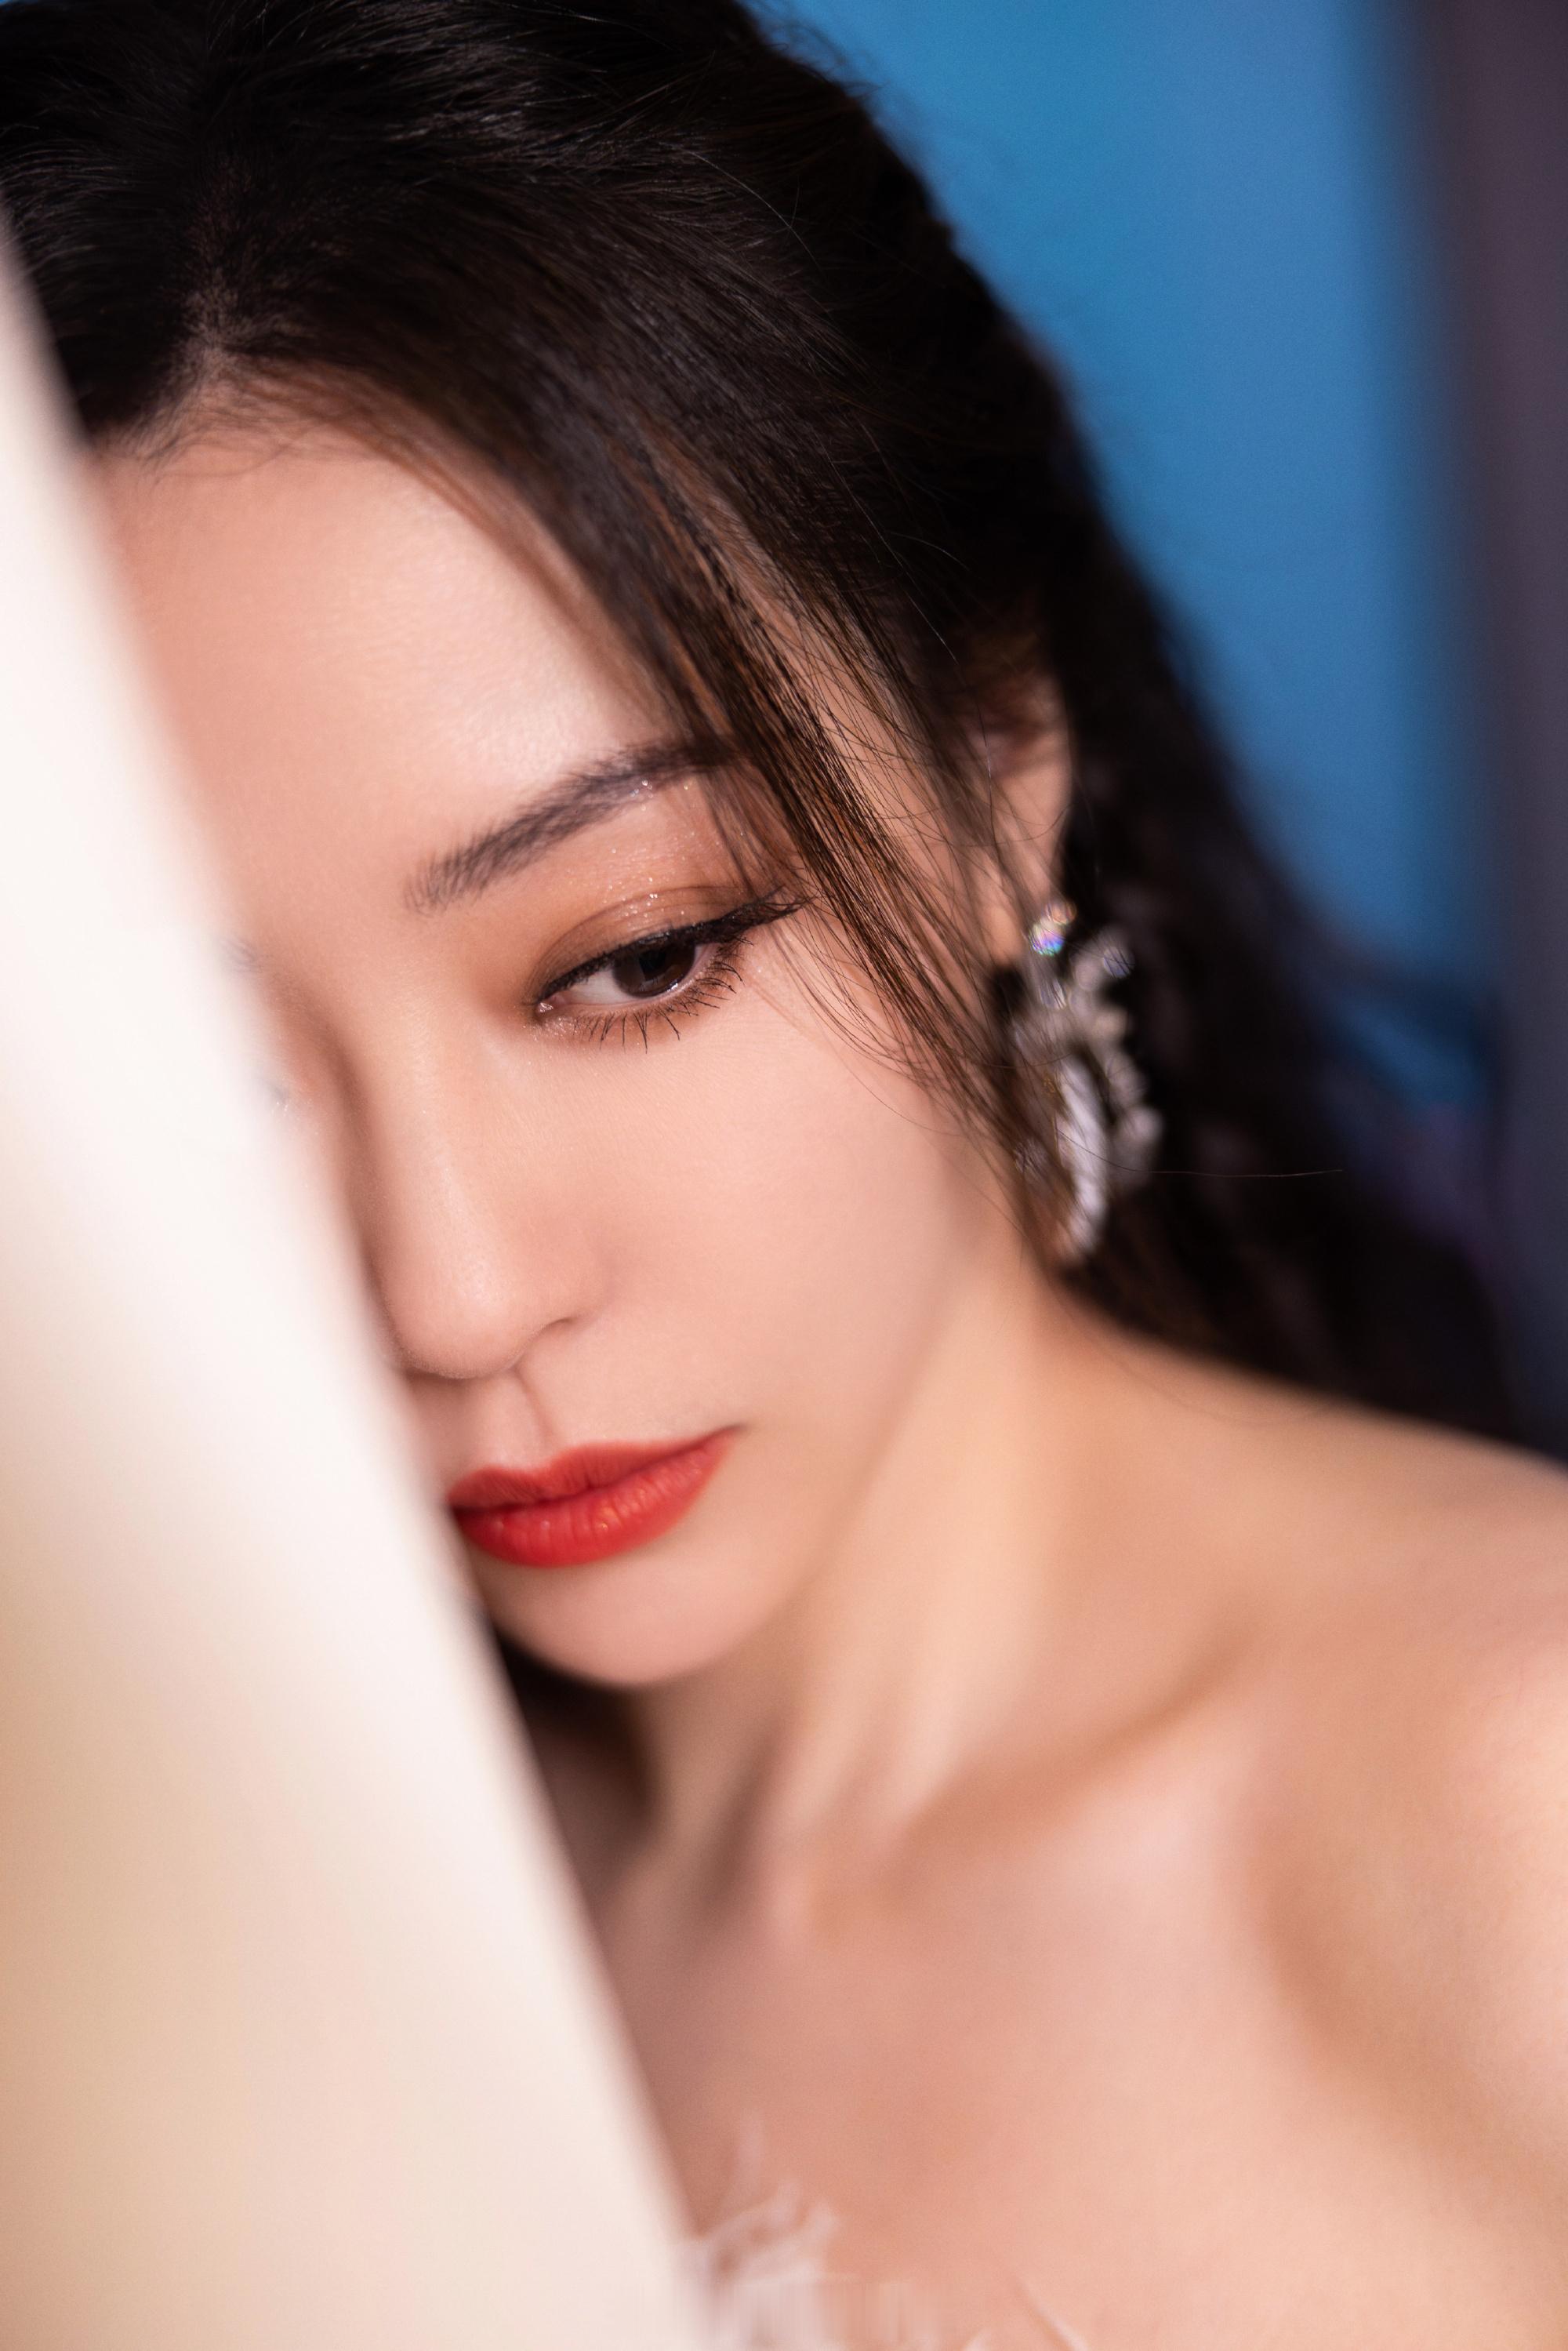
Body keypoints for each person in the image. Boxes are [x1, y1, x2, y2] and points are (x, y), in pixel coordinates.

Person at [3, 0, 1566, 2340]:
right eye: (210, 1083)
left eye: (636, 960)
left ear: (1000, 774)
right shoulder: (206, 1945)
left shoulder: (1517, 1828)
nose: (452, 1293)